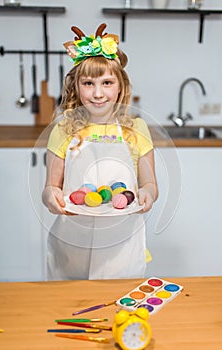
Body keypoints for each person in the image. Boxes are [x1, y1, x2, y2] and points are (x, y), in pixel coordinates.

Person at [42, 23, 158, 280]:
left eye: (106, 82)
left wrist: (147, 193)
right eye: (88, 83)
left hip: (122, 247)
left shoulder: (135, 129)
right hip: (71, 248)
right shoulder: (63, 130)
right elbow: (50, 187)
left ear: (120, 86)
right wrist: (52, 198)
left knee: (119, 313)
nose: (97, 93)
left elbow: (150, 183)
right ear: (76, 86)